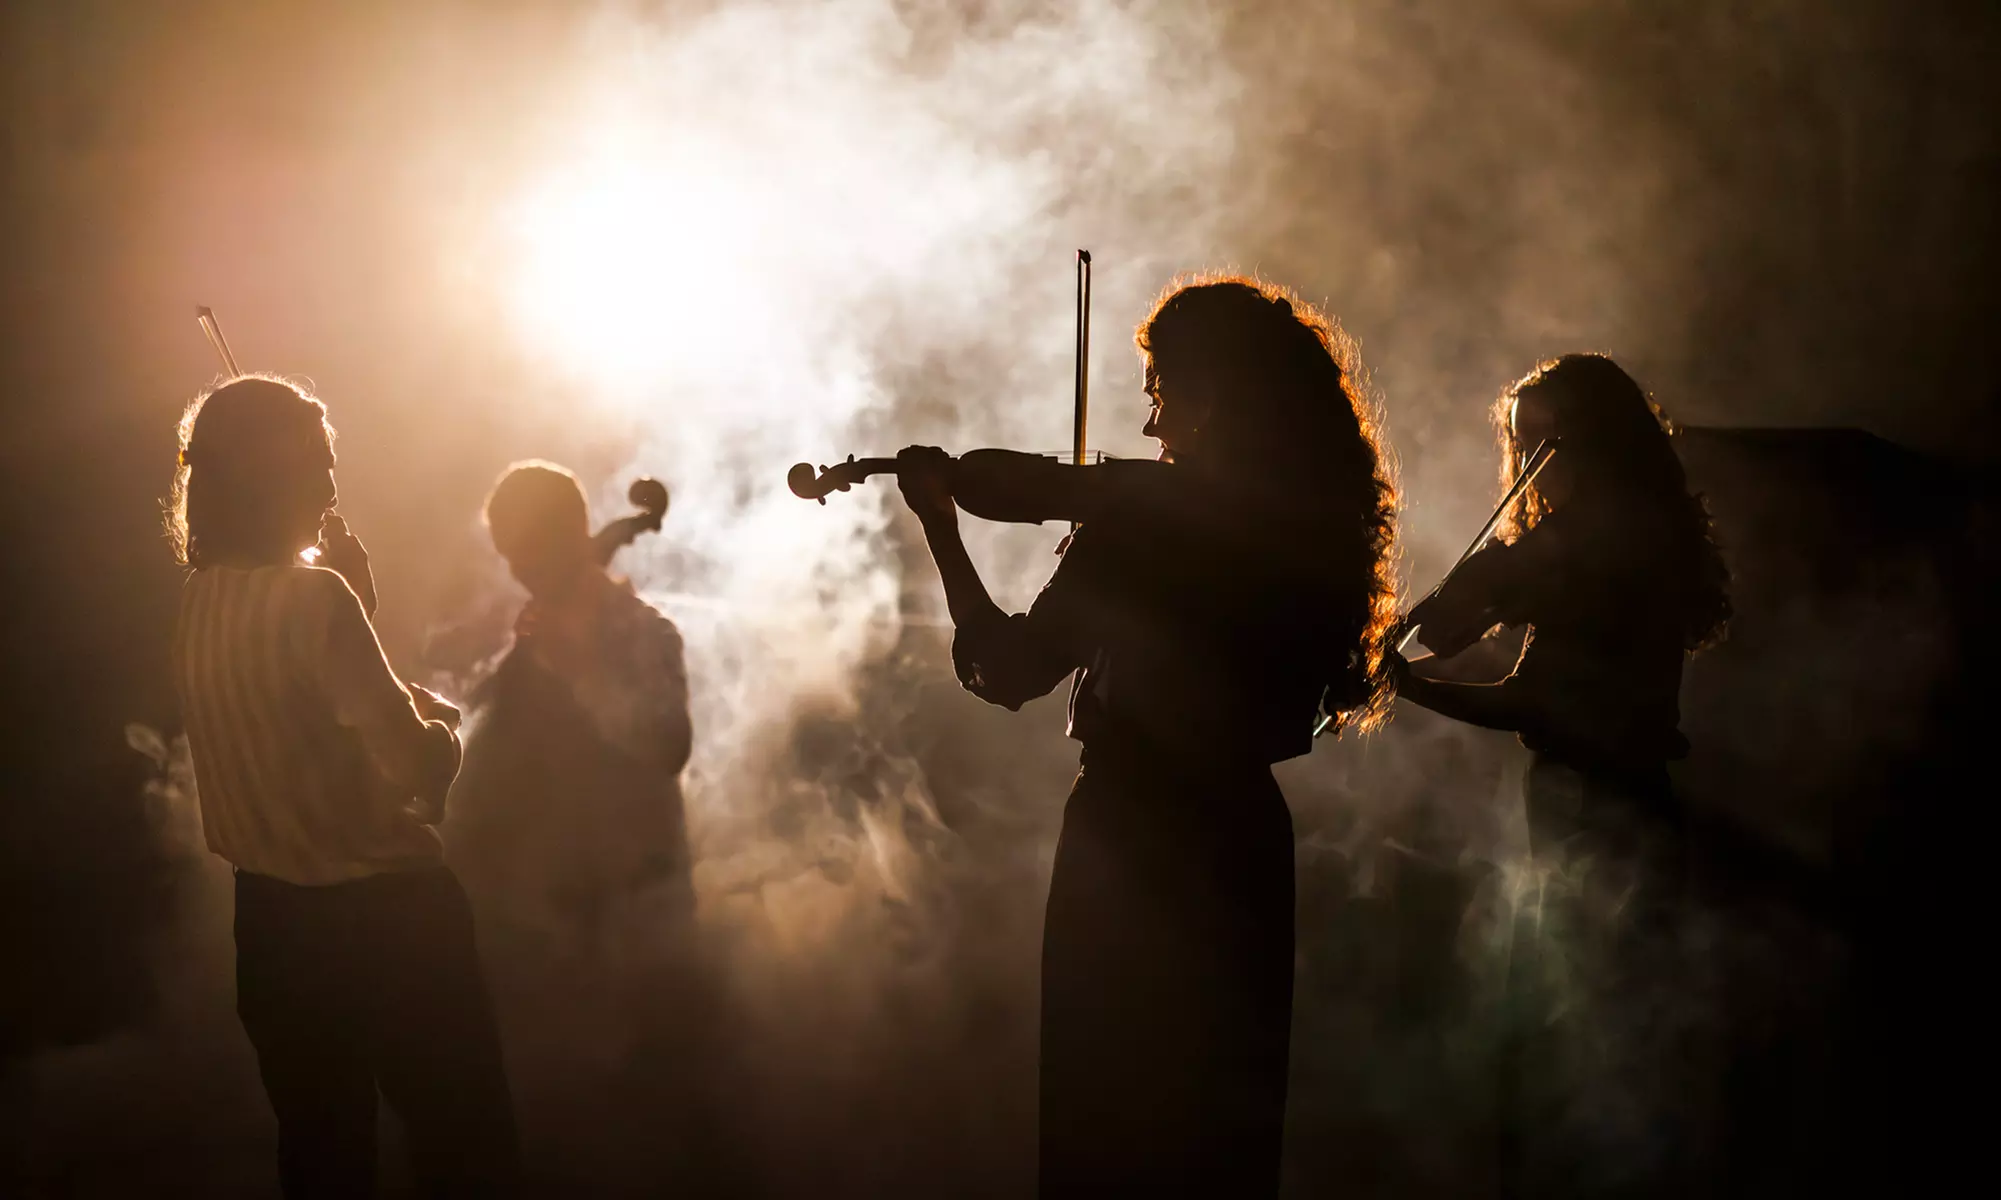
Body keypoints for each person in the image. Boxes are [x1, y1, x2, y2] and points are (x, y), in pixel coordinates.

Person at [892, 276, 1399, 1197]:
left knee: (1107, 1121)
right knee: (1216, 1133)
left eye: (1161, 389)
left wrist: (941, 527)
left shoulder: (1142, 523)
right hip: (1243, 838)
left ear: (1208, 395)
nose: (1150, 421)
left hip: (1133, 840)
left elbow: (1006, 673)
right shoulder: (1311, 525)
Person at [166, 376, 518, 1198]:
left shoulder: (198, 602)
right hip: (390, 926)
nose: (330, 487)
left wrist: (358, 614)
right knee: (466, 1150)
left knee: (324, 1160)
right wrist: (445, 729)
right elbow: (419, 779)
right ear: (268, 475)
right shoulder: (316, 598)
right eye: (318, 466)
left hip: (272, 933)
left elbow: (306, 729)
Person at [1394, 353, 1731, 1196]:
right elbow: (1486, 646)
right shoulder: (1630, 536)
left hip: (1598, 818)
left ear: (1591, 441)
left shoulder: (1601, 550)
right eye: (1523, 444)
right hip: (1609, 814)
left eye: (1547, 442)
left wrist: (1408, 682)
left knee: (1572, 1058)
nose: (1534, 464)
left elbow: (1527, 703)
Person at [444, 461, 693, 944]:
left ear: (573, 535)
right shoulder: (538, 636)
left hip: (637, 909)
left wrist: (580, 671)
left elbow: (669, 745)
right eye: (511, 557)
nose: (522, 573)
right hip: (550, 912)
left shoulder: (643, 631)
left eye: (530, 552)